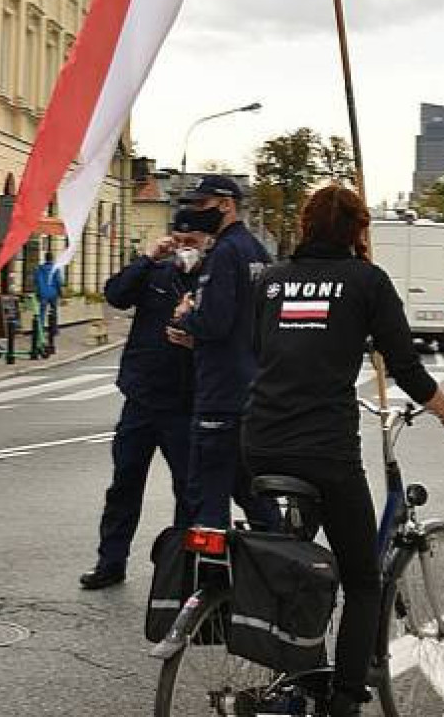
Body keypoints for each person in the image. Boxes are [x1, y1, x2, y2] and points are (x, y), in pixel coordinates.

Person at [242, 184, 444, 717]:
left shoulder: (271, 280)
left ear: (305, 226)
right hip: (324, 450)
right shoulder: (367, 281)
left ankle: (297, 674)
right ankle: (344, 699)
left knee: (295, 563)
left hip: (259, 443)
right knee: (363, 579)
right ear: (358, 231)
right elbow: (406, 368)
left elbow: (261, 350)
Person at [79, 212, 210, 590]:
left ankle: (183, 568)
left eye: (192, 240)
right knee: (124, 483)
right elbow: (116, 294)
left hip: (184, 402)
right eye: (179, 239)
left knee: (187, 489)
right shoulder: (157, 273)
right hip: (141, 397)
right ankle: (110, 561)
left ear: (206, 241)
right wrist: (148, 258)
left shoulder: (212, 280)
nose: (185, 247)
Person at [173, 174, 275, 530]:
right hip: (252, 390)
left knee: (207, 500)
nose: (197, 210)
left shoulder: (224, 253)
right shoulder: (258, 252)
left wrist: (186, 317)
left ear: (226, 204)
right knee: (253, 494)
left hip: (220, 393)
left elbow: (214, 322)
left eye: (203, 204)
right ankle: (279, 559)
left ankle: (211, 565)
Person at [34, 251, 62, 334]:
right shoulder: (55, 269)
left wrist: (38, 292)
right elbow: (58, 281)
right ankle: (54, 329)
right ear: (52, 258)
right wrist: (60, 292)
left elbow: (36, 281)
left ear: (45, 258)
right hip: (53, 293)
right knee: (54, 311)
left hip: (43, 293)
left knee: (42, 312)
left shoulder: (39, 269)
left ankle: (40, 330)